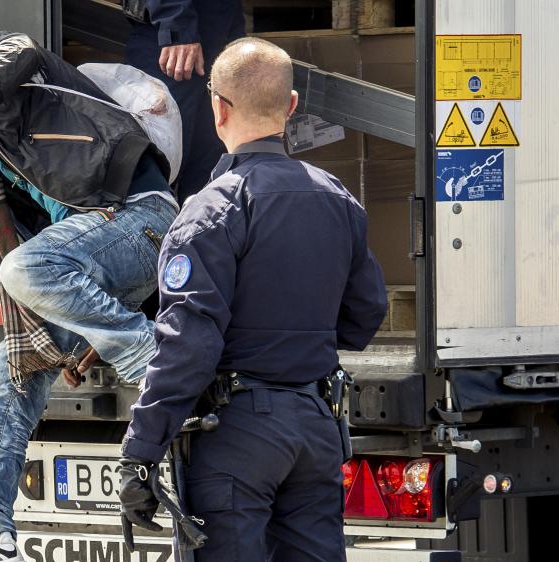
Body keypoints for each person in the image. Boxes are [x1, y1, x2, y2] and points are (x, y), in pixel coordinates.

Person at [0, 7, 178, 562]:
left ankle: (161, 368)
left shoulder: (1, 58)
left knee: (24, 267)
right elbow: (73, 265)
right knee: (5, 375)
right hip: (102, 252)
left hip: (142, 218)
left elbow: (12, 50)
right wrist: (86, 329)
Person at [117, 38, 387, 561]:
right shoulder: (337, 198)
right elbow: (364, 318)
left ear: (217, 107)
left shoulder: (211, 210)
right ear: (290, 107)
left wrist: (141, 451)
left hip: (237, 436)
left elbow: (187, 344)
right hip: (315, 428)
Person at [124, 0, 245, 203]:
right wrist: (176, 23)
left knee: (207, 178)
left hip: (212, 33)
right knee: (155, 176)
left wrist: (235, 36)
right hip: (173, 43)